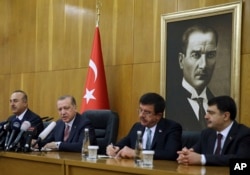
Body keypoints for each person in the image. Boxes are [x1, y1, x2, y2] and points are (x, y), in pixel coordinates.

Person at [167, 24, 218, 131]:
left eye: (210, 55)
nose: (203, 65)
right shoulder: (168, 103)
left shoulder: (219, 105)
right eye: (196, 55)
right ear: (181, 60)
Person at [177, 95, 250, 166]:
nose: (206, 116)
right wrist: (185, 155)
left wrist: (203, 159)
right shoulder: (207, 133)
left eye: (211, 113)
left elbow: (242, 160)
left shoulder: (244, 134)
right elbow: (195, 150)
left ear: (226, 116)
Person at [106, 92, 182, 160]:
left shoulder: (171, 128)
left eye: (147, 112)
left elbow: (171, 154)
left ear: (158, 116)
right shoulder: (137, 127)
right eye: (140, 110)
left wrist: (137, 153)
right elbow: (122, 144)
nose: (141, 115)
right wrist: (114, 148)